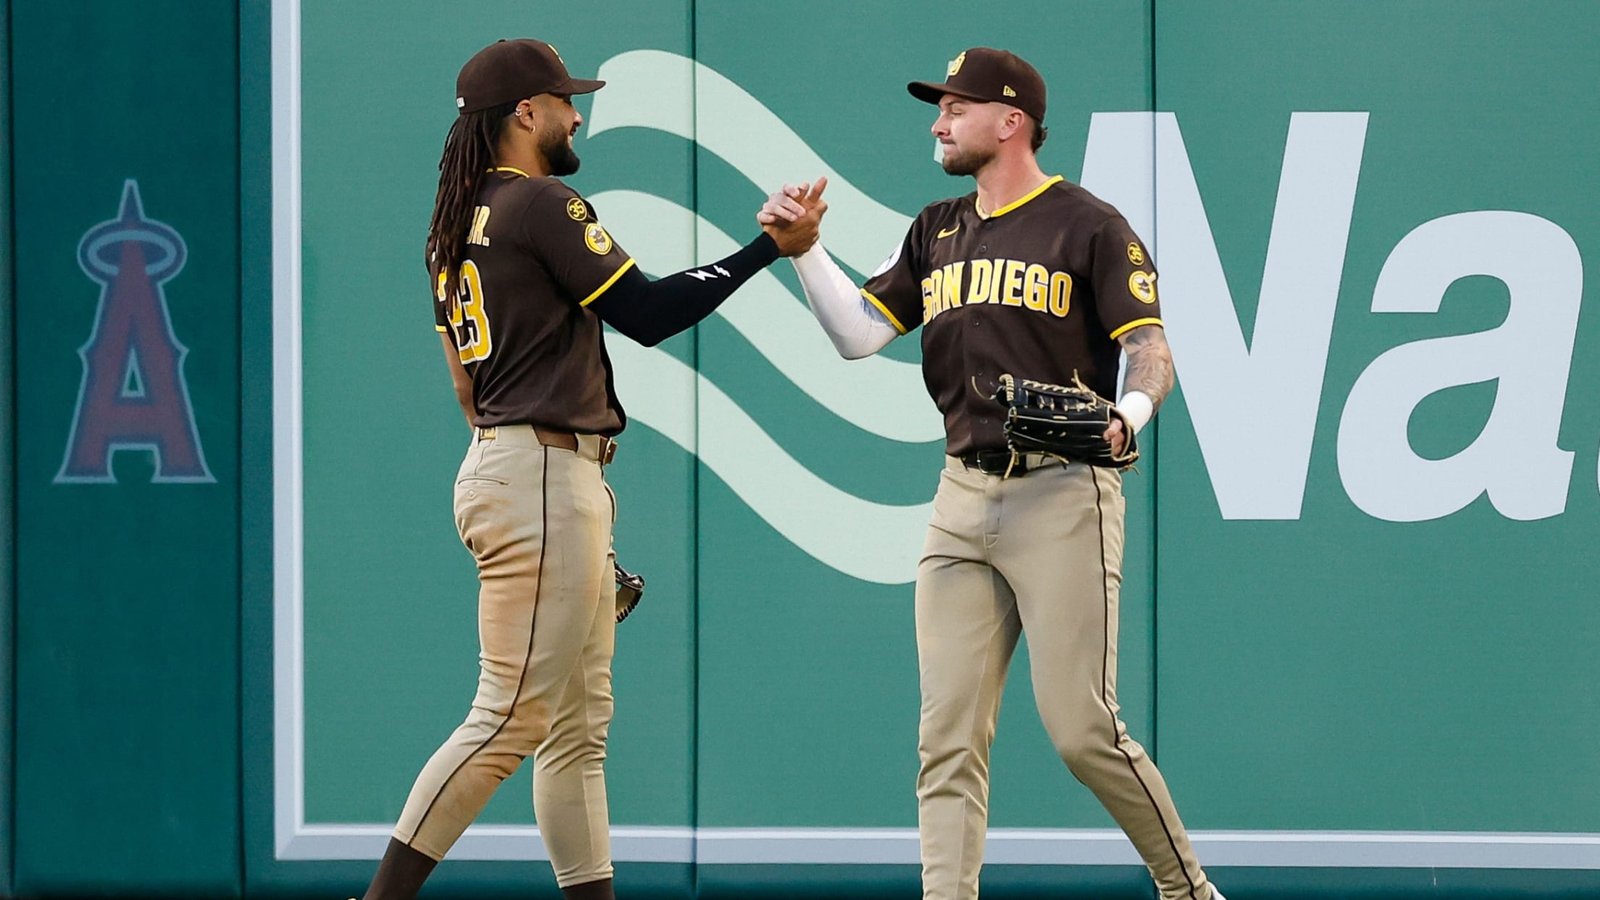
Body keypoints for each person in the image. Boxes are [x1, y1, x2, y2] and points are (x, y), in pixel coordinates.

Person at [357, 38, 823, 900]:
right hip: (541, 471)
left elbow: (464, 386)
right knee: (510, 716)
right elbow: (646, 311)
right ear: (524, 112)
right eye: (565, 100)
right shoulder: (539, 202)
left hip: (515, 462)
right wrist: (769, 247)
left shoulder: (454, 221)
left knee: (574, 731)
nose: (578, 114)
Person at [760, 47, 1224, 900]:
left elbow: (1150, 348)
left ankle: (1189, 890)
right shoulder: (936, 227)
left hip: (1062, 492)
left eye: (955, 107)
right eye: (938, 109)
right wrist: (806, 252)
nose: (938, 123)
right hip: (960, 497)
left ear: (1011, 121)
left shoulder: (1088, 224)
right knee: (946, 740)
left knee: (1083, 731)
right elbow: (858, 334)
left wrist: (1129, 415)